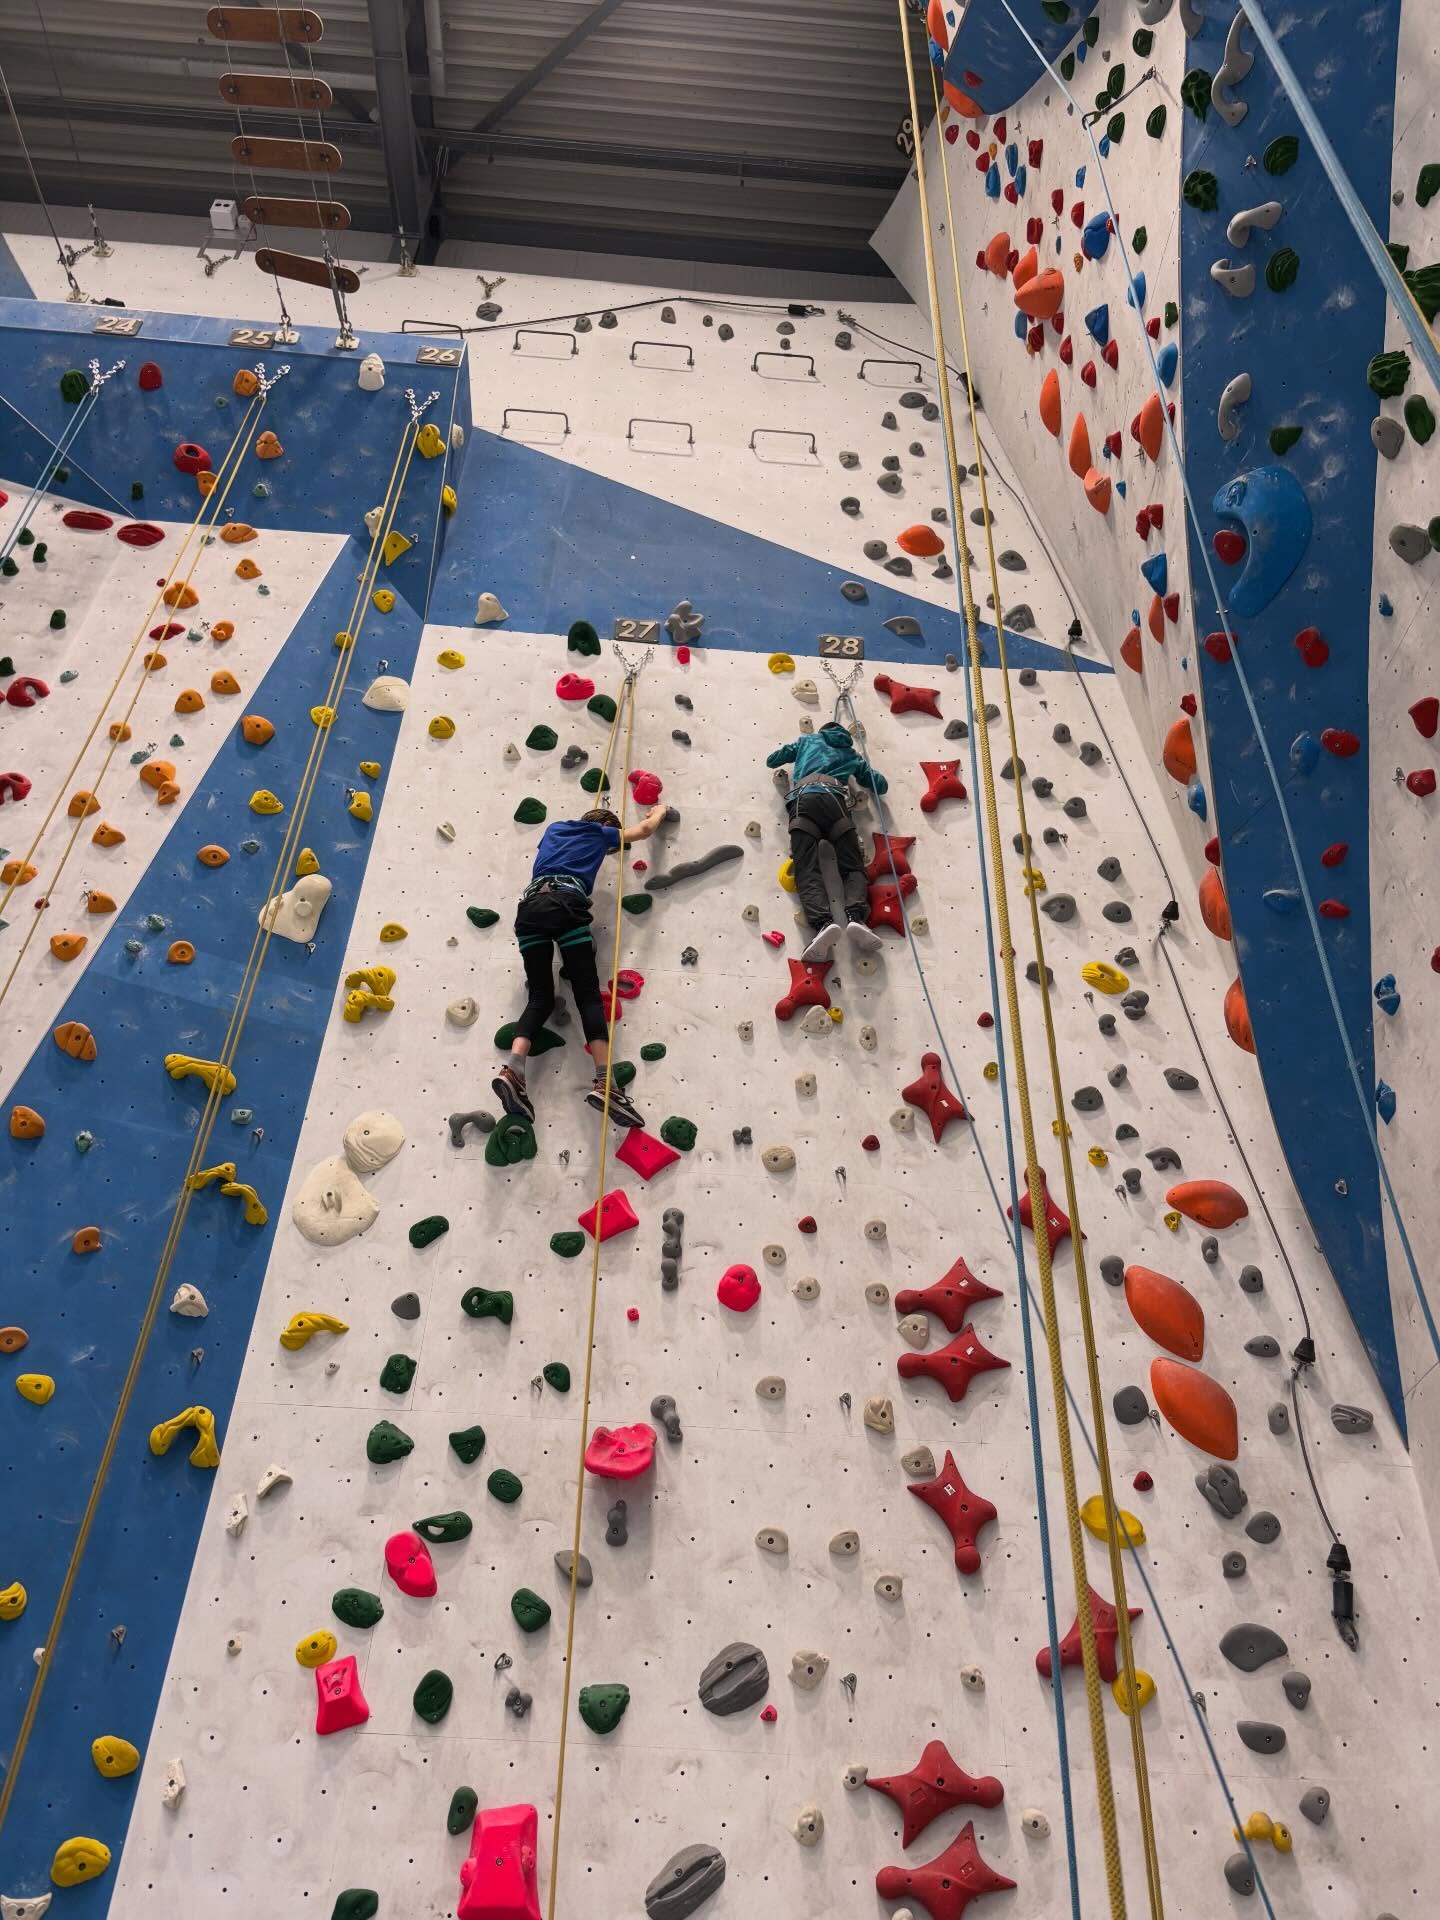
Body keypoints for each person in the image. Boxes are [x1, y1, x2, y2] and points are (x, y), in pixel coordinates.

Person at [493, 802, 667, 1128]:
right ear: (605, 826)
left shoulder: (553, 830)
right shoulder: (599, 833)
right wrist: (658, 811)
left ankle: (513, 1068)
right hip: (565, 904)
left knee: (541, 997)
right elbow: (643, 832)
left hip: (529, 910)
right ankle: (605, 1084)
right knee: (587, 996)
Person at [766, 720, 887, 962]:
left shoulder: (807, 741)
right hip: (835, 803)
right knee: (852, 865)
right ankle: (856, 918)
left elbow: (772, 760)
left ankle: (823, 924)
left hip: (804, 801)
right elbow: (880, 786)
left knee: (807, 866)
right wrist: (860, 766)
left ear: (823, 730)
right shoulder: (851, 754)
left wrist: (797, 751)